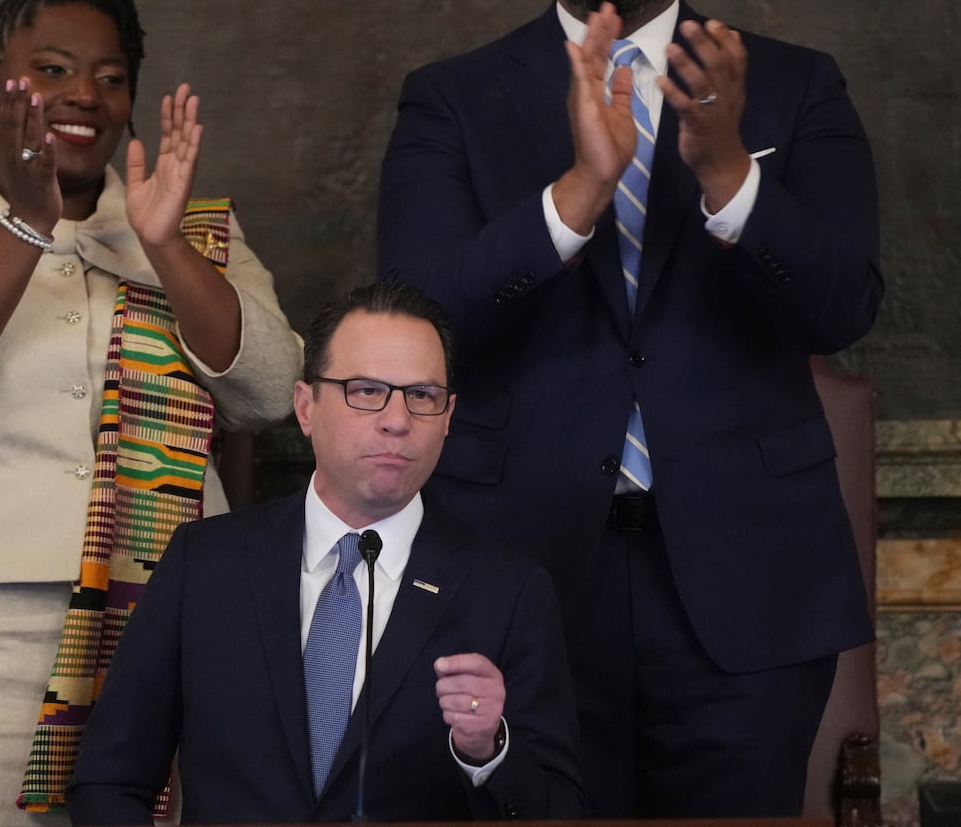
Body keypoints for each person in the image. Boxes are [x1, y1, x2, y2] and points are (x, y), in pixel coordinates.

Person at [377, 0, 883, 818]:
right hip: (524, 570)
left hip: (749, 581)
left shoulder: (793, 87)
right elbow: (418, 326)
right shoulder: (453, 99)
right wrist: (574, 199)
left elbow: (842, 307)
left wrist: (732, 172)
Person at [0, 0, 302, 826]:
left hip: (165, 627)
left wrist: (163, 248)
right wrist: (24, 223)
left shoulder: (190, 231)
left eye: (112, 76)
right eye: (51, 70)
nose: (84, 93)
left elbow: (271, 393)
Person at [65, 280, 586, 824]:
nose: (397, 419)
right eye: (365, 390)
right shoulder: (206, 564)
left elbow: (563, 810)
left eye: (422, 396)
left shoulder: (506, 591)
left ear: (449, 417)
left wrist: (490, 752)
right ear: (306, 407)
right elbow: (108, 780)